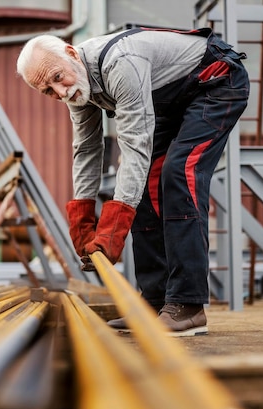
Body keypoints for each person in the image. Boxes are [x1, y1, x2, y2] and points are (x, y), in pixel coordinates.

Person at [16, 26, 249, 336]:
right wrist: (82, 220)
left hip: (215, 83)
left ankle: (188, 305)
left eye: (57, 79)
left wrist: (114, 226)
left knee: (179, 174)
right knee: (145, 183)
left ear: (71, 53)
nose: (60, 93)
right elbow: (86, 149)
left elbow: (134, 147)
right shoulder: (76, 85)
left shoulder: (120, 63)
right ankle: (153, 303)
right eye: (48, 91)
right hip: (171, 101)